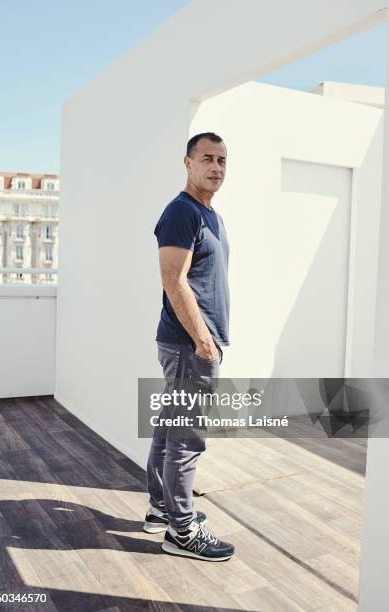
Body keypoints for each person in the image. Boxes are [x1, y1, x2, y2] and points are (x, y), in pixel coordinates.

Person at [144, 132, 235, 562]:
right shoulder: (182, 212)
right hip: (189, 345)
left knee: (168, 428)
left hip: (189, 344)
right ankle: (182, 531)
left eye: (221, 160)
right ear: (187, 162)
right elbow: (173, 279)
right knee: (187, 437)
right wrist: (203, 341)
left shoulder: (208, 213)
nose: (215, 167)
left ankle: (161, 509)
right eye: (207, 159)